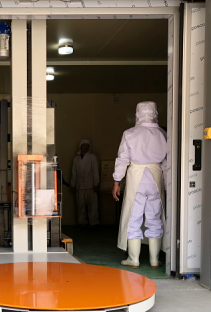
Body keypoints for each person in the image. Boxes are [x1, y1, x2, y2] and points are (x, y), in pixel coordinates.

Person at [112, 101, 167, 269]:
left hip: (136, 176)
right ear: (155, 113)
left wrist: (117, 181)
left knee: (133, 217)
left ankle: (133, 259)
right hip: (156, 176)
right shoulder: (163, 134)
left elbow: (122, 159)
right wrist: (167, 184)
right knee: (154, 218)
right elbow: (167, 163)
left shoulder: (129, 133)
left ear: (137, 114)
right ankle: (154, 260)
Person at [71, 139, 100, 229]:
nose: (85, 147)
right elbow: (74, 172)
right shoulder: (76, 159)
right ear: (80, 146)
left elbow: (95, 171)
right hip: (79, 186)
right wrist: (73, 184)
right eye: (84, 145)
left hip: (90, 186)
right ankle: (82, 222)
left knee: (93, 205)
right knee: (80, 206)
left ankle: (94, 223)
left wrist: (96, 183)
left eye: (87, 145)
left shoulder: (92, 157)